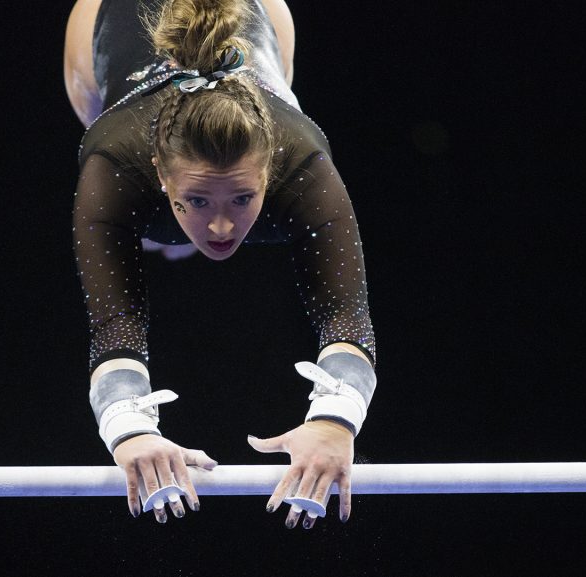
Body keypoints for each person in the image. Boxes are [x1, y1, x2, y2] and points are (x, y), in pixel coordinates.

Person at [63, 0, 377, 530]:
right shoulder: (115, 168)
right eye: (200, 202)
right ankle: (174, 228)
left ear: (271, 166)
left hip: (260, 18)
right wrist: (128, 426)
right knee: (96, 118)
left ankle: (183, 221)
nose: (223, 228)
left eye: (241, 199)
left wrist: (333, 422)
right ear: (160, 174)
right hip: (109, 17)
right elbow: (115, 329)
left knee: (273, 89)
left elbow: (348, 319)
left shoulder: (303, 168)